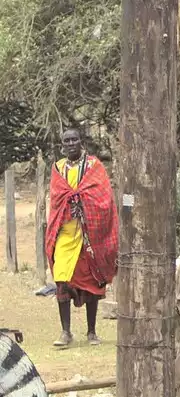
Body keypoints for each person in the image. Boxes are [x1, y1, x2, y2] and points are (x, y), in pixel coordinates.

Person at [44, 128, 119, 348]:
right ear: (62, 144)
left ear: (81, 141)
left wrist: (84, 206)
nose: (70, 143)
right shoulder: (58, 168)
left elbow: (103, 198)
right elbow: (57, 200)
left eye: (74, 139)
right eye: (66, 140)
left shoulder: (94, 166)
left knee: (90, 281)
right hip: (65, 233)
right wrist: (71, 205)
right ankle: (66, 332)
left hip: (90, 233)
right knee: (61, 278)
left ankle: (92, 332)